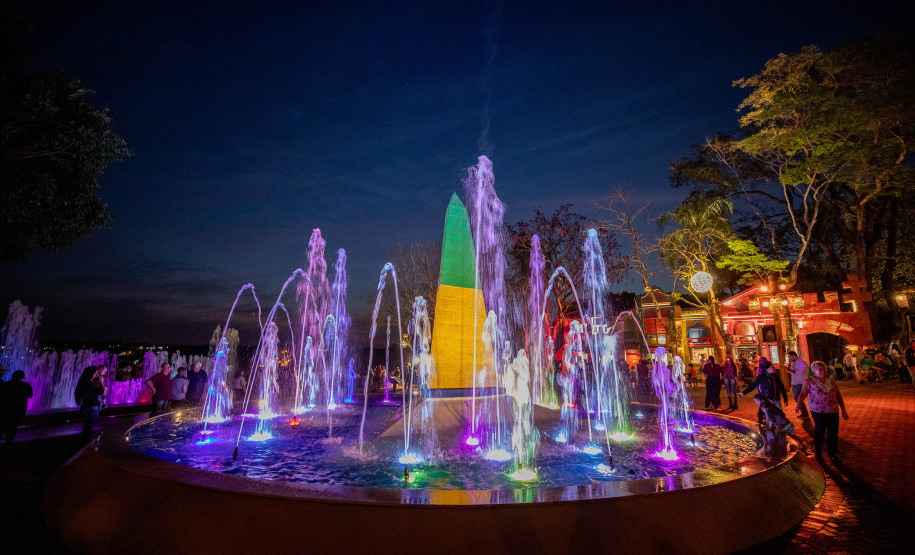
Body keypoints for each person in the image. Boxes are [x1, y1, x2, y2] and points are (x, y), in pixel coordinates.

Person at [795, 360, 849, 460]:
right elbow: (803, 393)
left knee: (833, 432)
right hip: (818, 411)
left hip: (833, 410)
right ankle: (818, 452)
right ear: (814, 371)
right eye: (819, 370)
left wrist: (844, 410)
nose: (822, 371)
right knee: (820, 431)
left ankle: (832, 453)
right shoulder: (809, 381)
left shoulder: (831, 382)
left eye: (824, 369)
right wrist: (798, 404)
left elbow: (838, 396)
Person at [0, 370, 34, 453]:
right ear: (22, 377)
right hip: (18, 411)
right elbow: (30, 395)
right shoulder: (26, 385)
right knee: (12, 429)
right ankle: (7, 447)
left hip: (6, 410)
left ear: (13, 376)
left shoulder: (6, 384)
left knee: (2, 427)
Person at [738, 358, 778, 424]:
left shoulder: (774, 375)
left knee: (770, 409)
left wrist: (784, 397)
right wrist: (743, 393)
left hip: (773, 396)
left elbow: (780, 386)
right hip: (763, 391)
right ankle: (762, 422)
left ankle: (773, 423)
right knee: (762, 406)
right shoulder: (761, 373)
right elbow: (754, 385)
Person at [77, 366, 107, 440]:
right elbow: (103, 392)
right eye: (95, 372)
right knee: (88, 427)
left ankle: (84, 441)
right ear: (91, 373)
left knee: (87, 426)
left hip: (87, 406)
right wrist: (100, 382)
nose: (97, 374)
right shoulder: (89, 384)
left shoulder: (86, 382)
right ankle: (85, 443)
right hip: (92, 407)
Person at [786, 351, 809, 418]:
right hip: (795, 383)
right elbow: (793, 372)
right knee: (797, 398)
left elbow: (800, 372)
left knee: (798, 398)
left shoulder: (802, 363)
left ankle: (805, 414)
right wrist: (788, 369)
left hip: (801, 383)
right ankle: (804, 413)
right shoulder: (794, 363)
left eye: (790, 357)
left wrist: (789, 370)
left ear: (794, 356)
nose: (789, 358)